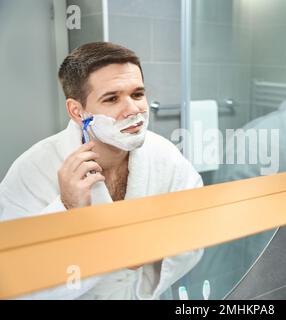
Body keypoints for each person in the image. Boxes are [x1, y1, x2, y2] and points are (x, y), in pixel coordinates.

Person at [0, 42, 204, 299]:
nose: (133, 109)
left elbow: (196, 232)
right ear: (77, 111)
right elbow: (13, 279)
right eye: (112, 98)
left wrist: (152, 249)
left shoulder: (164, 155)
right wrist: (67, 208)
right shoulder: (33, 169)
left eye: (138, 94)